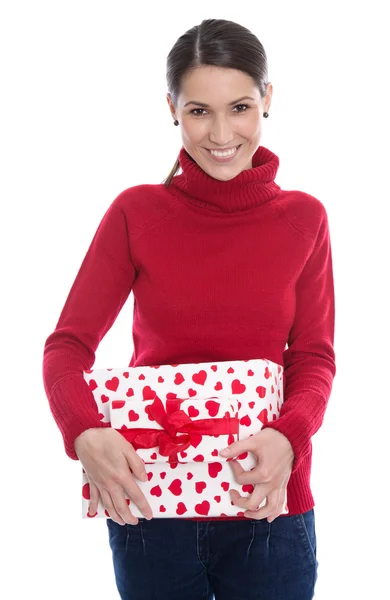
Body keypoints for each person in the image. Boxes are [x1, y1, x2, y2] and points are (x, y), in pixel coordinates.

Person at [42, 17, 336, 600]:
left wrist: (290, 437)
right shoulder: (137, 212)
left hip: (270, 507)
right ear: (172, 108)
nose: (221, 132)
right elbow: (66, 347)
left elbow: (314, 358)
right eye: (199, 110)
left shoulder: (305, 219)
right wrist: (84, 432)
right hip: (152, 505)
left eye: (241, 106)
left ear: (268, 100)